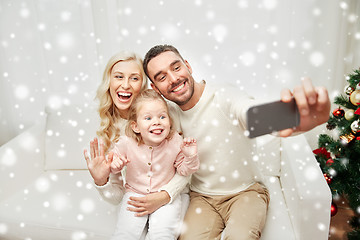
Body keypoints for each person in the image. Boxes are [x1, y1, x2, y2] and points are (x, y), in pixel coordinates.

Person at [139, 44, 331, 240]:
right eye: (161, 77)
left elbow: (248, 112)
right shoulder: (166, 117)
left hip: (246, 192)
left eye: (176, 67)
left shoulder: (223, 95)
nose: (173, 79)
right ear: (155, 88)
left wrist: (290, 117)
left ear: (187, 66)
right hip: (202, 198)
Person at [83, 51, 190, 235]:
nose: (125, 85)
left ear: (143, 85)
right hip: (137, 195)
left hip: (172, 194)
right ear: (109, 82)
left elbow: (186, 166)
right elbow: (117, 197)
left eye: (134, 78)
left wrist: (163, 196)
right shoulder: (107, 129)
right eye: (118, 77)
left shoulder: (165, 113)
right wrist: (102, 181)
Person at [108, 89, 199, 239]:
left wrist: (190, 156)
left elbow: (184, 171)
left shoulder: (175, 140)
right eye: (148, 118)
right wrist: (115, 166)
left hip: (165, 197)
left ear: (169, 121)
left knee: (163, 234)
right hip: (134, 195)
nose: (156, 122)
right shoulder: (126, 142)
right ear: (135, 126)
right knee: (125, 234)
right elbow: (112, 161)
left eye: (162, 116)